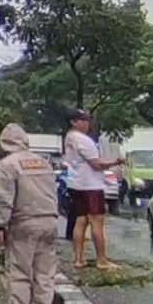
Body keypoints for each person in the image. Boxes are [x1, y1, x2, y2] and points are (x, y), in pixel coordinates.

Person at [0, 124, 61, 304]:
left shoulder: (8, 165)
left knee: (19, 271)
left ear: (4, 143)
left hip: (24, 223)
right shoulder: (43, 162)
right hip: (50, 221)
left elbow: (4, 200)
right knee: (45, 273)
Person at [62, 109, 118, 270]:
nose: (87, 123)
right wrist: (116, 162)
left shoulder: (69, 138)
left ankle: (78, 259)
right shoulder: (84, 140)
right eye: (83, 120)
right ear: (74, 122)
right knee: (96, 221)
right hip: (90, 186)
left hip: (76, 183)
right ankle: (101, 260)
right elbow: (96, 164)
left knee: (80, 220)